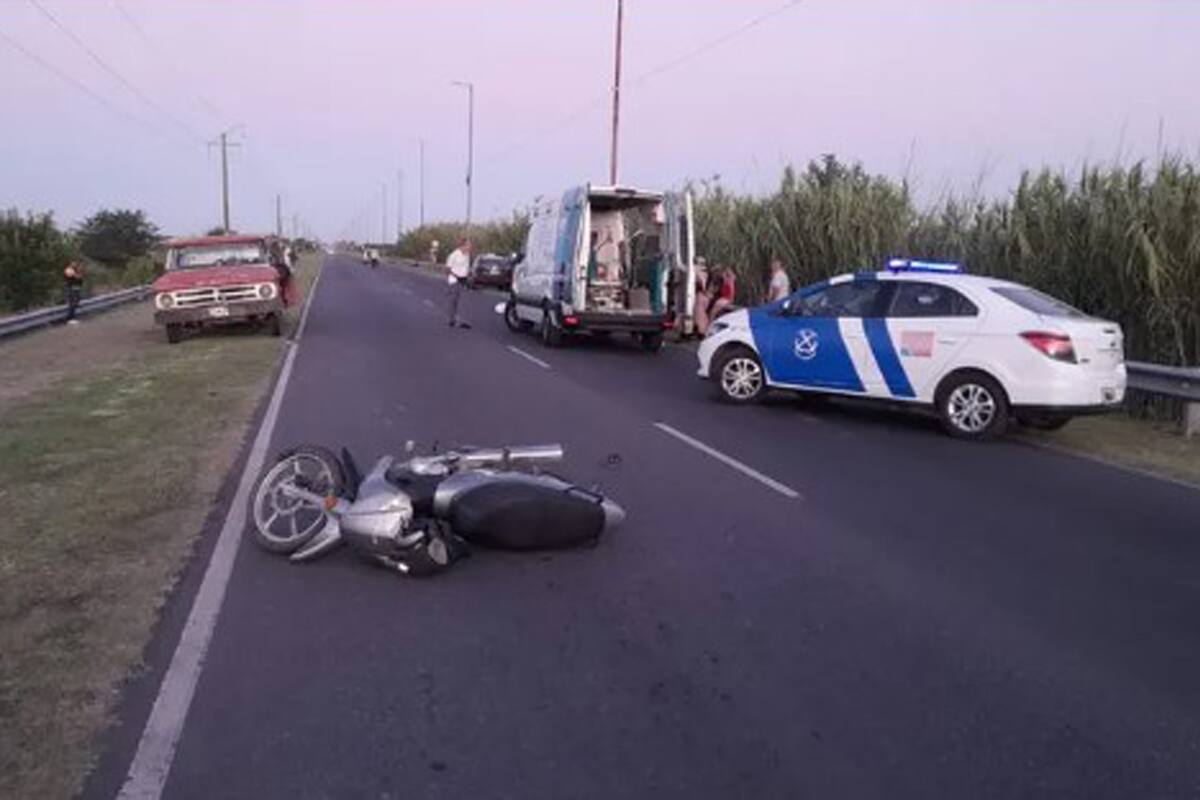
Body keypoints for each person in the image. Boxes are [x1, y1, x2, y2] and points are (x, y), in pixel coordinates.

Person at [446, 238, 472, 328]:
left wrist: (467, 276)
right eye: (468, 245)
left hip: (463, 279)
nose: (470, 247)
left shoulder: (467, 255)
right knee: (454, 300)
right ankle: (451, 320)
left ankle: (460, 320)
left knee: (462, 301)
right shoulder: (454, 255)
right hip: (454, 280)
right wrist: (457, 276)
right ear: (463, 245)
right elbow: (448, 269)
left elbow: (467, 267)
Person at [63, 260, 84, 325]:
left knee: (76, 302)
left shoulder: (75, 270)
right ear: (70, 263)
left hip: (76, 288)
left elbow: (80, 278)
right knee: (72, 303)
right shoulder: (68, 270)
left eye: (75, 263)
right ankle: (69, 318)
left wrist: (78, 272)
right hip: (70, 288)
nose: (75, 264)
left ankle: (72, 317)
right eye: (73, 263)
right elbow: (76, 277)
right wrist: (78, 272)